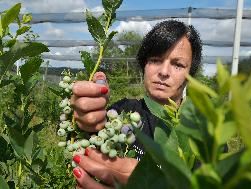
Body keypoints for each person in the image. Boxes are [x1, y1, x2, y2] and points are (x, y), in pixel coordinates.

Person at [70, 20, 202, 189]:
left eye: (177, 65)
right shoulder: (124, 111)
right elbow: (93, 134)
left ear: (190, 74)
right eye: (155, 60)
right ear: (144, 65)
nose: (163, 72)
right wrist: (86, 116)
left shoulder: (203, 133)